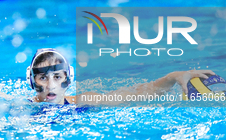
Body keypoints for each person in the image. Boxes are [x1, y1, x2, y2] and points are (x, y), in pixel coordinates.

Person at [26, 48, 215, 105]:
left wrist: (173, 76)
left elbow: (137, 93)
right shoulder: (23, 107)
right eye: (43, 78)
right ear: (31, 81)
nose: (51, 85)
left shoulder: (84, 101)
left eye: (58, 77)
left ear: (69, 78)